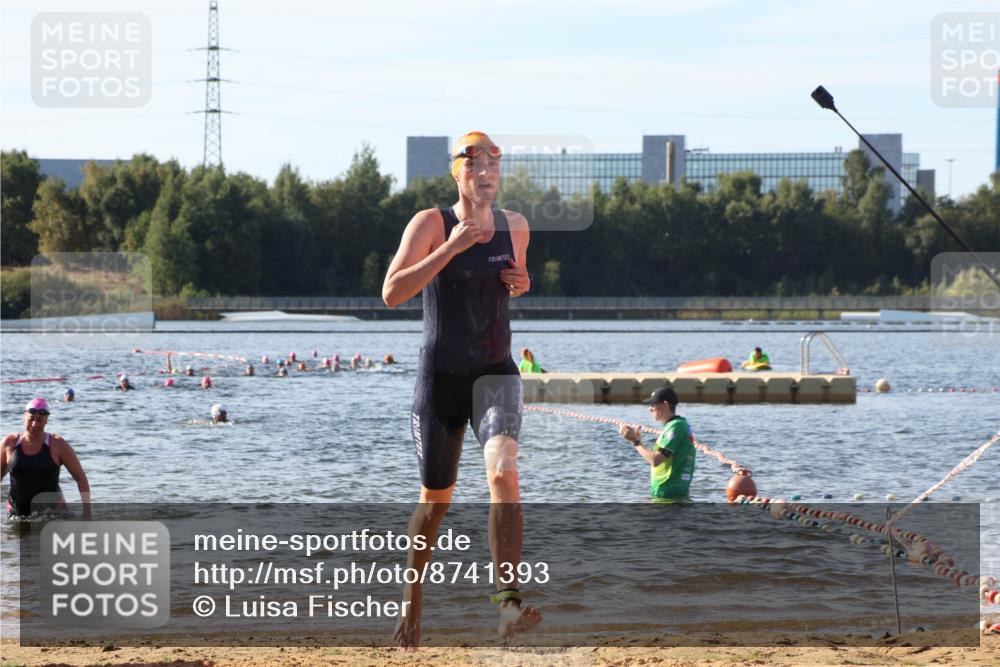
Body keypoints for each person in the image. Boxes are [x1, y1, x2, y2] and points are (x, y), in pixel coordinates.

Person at [382, 130, 540, 649]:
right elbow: (391, 292)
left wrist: (523, 282)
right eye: (476, 167)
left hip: (495, 373)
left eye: (495, 167)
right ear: (459, 173)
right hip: (441, 382)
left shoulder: (515, 227)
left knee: (503, 473)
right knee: (434, 503)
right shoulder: (431, 223)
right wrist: (449, 249)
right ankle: (412, 601)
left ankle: (508, 606)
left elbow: (517, 278)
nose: (487, 175)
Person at [1, 398, 91, 518]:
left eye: (40, 420)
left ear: (46, 420)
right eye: (31, 419)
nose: (34, 424)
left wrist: (87, 513)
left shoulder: (58, 445)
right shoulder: (9, 443)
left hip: (53, 514)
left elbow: (80, 478)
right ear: (24, 417)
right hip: (16, 514)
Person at [619, 387, 696, 502]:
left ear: (665, 404)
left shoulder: (676, 426)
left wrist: (635, 441)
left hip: (669, 495)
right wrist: (638, 440)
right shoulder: (676, 425)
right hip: (669, 494)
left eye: (653, 404)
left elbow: (655, 460)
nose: (650, 409)